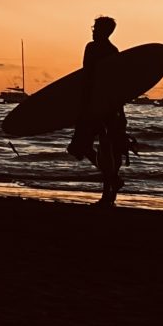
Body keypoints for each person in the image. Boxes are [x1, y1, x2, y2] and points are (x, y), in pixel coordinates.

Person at [67, 16, 129, 206]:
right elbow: (117, 84)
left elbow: (87, 77)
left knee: (88, 147)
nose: (92, 31)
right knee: (106, 150)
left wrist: (80, 105)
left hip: (95, 106)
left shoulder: (93, 48)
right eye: (93, 28)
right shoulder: (113, 51)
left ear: (105, 31)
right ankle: (111, 186)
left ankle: (109, 190)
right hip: (110, 107)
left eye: (95, 28)